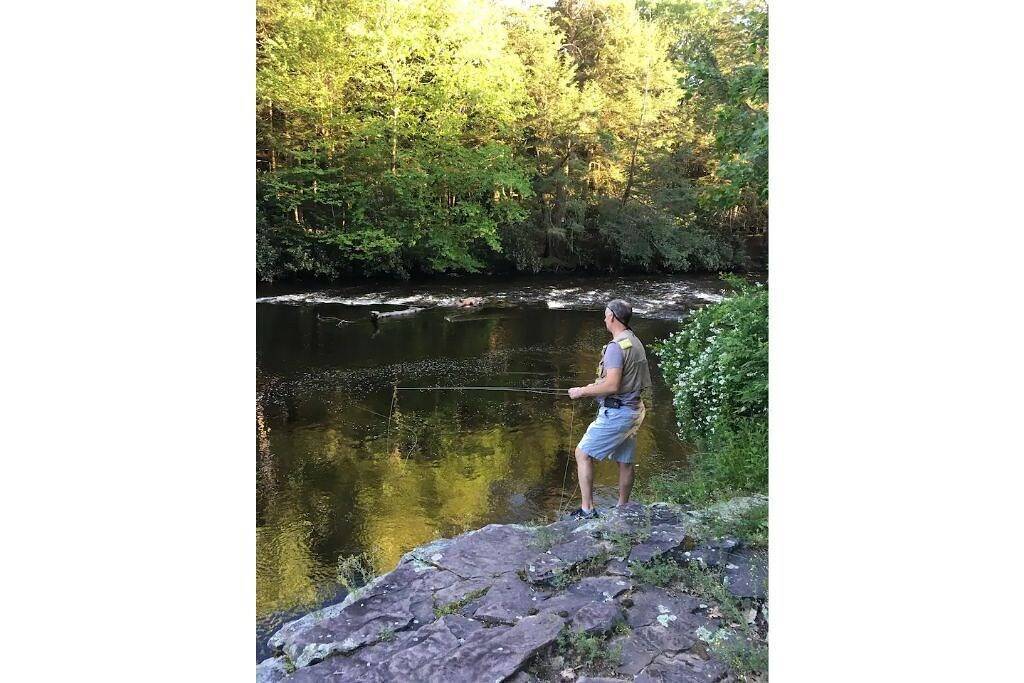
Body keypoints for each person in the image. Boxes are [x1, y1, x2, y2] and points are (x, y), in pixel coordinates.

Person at [567, 299, 653, 519]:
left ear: (613, 317)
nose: (604, 318)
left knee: (582, 453)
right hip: (635, 410)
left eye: (606, 315)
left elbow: (612, 384)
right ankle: (623, 508)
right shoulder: (634, 341)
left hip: (619, 413)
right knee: (624, 461)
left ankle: (587, 510)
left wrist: (582, 391)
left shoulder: (616, 347)